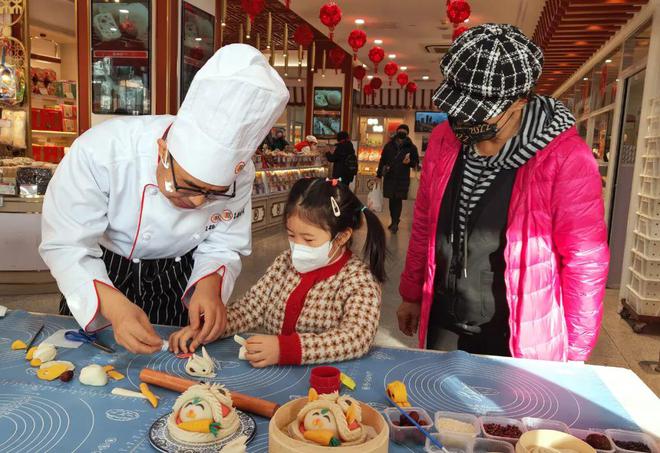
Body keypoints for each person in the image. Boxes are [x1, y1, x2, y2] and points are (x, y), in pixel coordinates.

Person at [39, 44, 289, 355]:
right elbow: (66, 244)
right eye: (187, 186)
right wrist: (114, 308)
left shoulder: (240, 175)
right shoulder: (102, 152)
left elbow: (224, 242)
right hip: (103, 270)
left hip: (176, 276)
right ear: (162, 151)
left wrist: (209, 287)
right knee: (84, 364)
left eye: (213, 193)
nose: (198, 203)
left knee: (174, 364)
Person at [396, 24, 609, 361]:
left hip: (516, 331)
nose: (465, 119)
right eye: (459, 107)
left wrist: (575, 355)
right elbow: (424, 222)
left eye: (478, 110)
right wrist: (411, 293)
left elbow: (585, 262)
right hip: (444, 317)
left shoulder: (565, 158)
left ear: (520, 101)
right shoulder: (444, 140)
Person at [169, 178, 387, 367]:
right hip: (278, 370)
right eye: (291, 235)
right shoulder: (285, 263)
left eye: (308, 239)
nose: (297, 246)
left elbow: (356, 337)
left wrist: (286, 349)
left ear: (341, 237)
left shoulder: (358, 280)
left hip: (327, 379)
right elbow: (252, 307)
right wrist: (212, 327)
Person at [377, 124, 419, 233]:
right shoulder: (389, 145)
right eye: (400, 130)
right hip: (390, 177)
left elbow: (416, 164)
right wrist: (378, 174)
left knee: (398, 200)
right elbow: (382, 160)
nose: (402, 132)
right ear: (397, 131)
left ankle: (395, 222)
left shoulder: (412, 147)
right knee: (392, 200)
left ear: (407, 133)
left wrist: (409, 162)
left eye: (404, 131)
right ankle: (394, 220)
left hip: (402, 178)